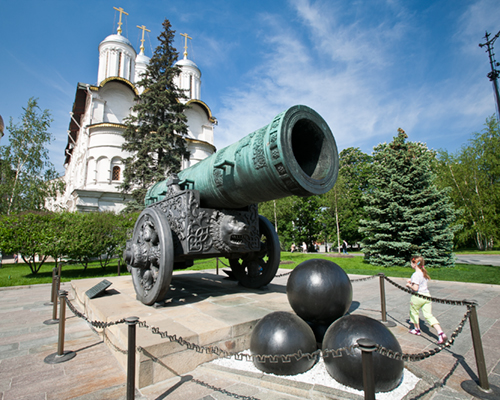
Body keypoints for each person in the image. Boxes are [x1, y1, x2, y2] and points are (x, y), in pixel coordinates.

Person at [406, 256, 447, 344]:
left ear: (415, 264)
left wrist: (409, 285)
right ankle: (440, 333)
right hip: (427, 296)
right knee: (429, 315)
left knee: (414, 312)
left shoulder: (415, 274)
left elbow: (415, 288)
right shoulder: (423, 273)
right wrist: (411, 281)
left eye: (411, 263)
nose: (411, 264)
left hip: (418, 297)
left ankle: (416, 329)